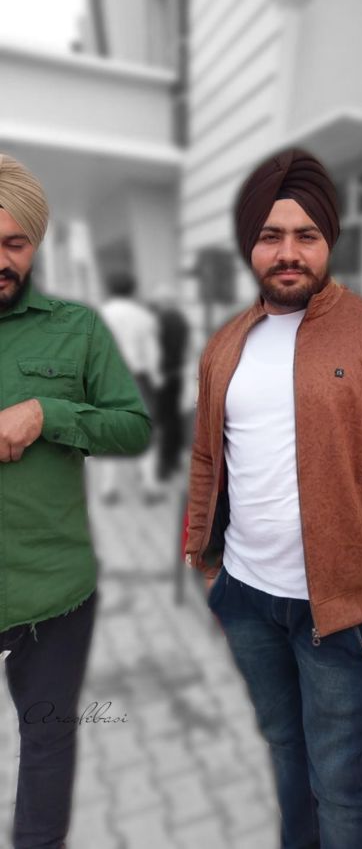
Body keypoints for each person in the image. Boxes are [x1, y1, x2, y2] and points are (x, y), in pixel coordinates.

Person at [185, 148, 362, 849]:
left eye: (306, 234)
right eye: (270, 235)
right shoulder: (226, 345)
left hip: (339, 616)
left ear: (329, 239)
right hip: (247, 598)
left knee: (340, 782)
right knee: (284, 747)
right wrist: (205, 561)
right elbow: (208, 457)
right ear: (250, 245)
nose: (288, 252)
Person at [0, 152, 151, 849]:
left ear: (36, 243)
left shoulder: (78, 327)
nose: (1, 259)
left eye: (15, 243)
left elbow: (133, 426)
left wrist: (48, 414)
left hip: (55, 593)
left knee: (49, 742)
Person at [99, 271, 163, 503]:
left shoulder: (98, 316)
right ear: (133, 290)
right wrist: (156, 380)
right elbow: (152, 353)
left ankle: (108, 489)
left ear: (108, 289)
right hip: (137, 379)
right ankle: (149, 487)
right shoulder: (144, 317)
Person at [151, 288, 190, 480]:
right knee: (173, 417)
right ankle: (175, 460)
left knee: (164, 420)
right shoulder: (181, 320)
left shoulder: (161, 321)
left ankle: (165, 466)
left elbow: (157, 350)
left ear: (163, 301)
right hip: (177, 373)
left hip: (163, 374)